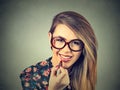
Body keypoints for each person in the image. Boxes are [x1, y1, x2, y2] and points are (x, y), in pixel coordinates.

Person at [20, 11, 98, 90]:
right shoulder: (31, 75)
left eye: (76, 42)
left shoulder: (85, 73)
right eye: (60, 40)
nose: (66, 50)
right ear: (50, 38)